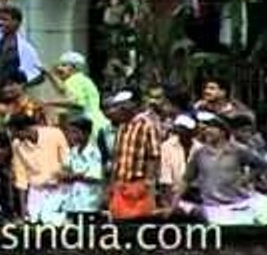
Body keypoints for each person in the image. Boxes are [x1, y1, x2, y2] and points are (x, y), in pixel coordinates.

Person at [180, 113, 267, 225]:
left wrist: (246, 178)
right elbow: (186, 180)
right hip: (214, 206)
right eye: (206, 128)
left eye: (211, 127)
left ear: (222, 131)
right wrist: (173, 204)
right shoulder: (199, 154)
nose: (207, 131)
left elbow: (262, 165)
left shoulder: (238, 150)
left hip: (240, 200)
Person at [105, 87, 180, 220]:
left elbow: (154, 155)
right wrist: (112, 183)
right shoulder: (122, 127)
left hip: (138, 184)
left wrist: (148, 182)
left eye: (121, 107)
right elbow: (117, 156)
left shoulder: (147, 125)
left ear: (131, 106)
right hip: (121, 184)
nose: (117, 111)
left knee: (139, 221)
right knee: (118, 222)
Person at [41, 51, 113, 150]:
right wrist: (50, 76)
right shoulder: (83, 80)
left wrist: (49, 103)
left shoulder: (74, 81)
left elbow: (76, 103)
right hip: (99, 125)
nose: (59, 68)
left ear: (73, 68)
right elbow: (62, 90)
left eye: (64, 65)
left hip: (90, 129)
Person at [7, 113, 68, 224]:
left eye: (16, 133)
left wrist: (61, 178)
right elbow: (21, 177)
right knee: (34, 222)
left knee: (55, 223)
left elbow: (67, 161)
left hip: (59, 189)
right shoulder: (17, 145)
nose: (14, 136)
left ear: (26, 129)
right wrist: (23, 209)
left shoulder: (55, 134)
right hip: (36, 191)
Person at [0, 5, 44, 93]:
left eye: (5, 19)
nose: (0, 22)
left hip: (13, 98)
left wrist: (21, 86)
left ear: (16, 23)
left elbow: (39, 75)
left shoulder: (25, 48)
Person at [62, 116, 104, 215]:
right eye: (70, 132)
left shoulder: (94, 152)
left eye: (75, 132)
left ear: (86, 133)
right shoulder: (72, 151)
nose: (72, 136)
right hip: (72, 203)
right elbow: (65, 169)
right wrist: (65, 175)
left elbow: (95, 176)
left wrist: (75, 176)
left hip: (89, 203)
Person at [158, 113, 201, 208]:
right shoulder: (167, 146)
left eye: (186, 129)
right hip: (172, 194)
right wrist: (170, 204)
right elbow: (165, 177)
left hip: (195, 195)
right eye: (180, 128)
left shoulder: (199, 148)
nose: (182, 132)